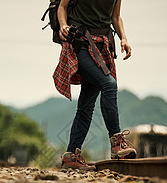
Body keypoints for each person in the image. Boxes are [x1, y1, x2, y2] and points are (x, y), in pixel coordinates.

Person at [54, 0, 136, 170]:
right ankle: (116, 142)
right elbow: (62, 7)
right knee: (109, 85)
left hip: (101, 47)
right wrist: (63, 25)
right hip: (80, 45)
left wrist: (124, 38)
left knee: (86, 106)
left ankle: (71, 155)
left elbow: (116, 16)